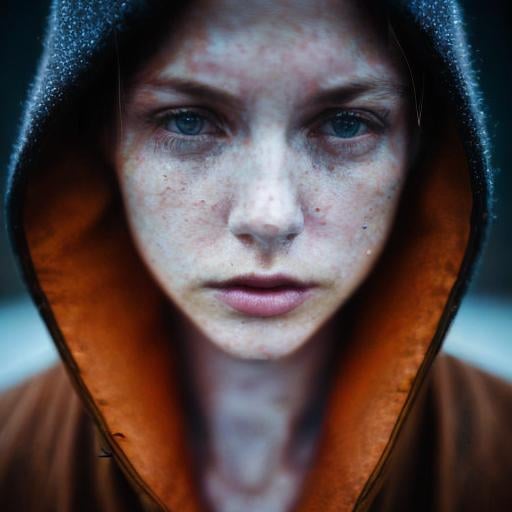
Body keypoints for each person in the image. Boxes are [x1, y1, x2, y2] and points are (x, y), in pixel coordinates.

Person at [1, 0, 511, 511]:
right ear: (101, 139)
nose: (269, 216)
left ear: (417, 148)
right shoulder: (14, 459)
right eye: (187, 121)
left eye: (346, 125)